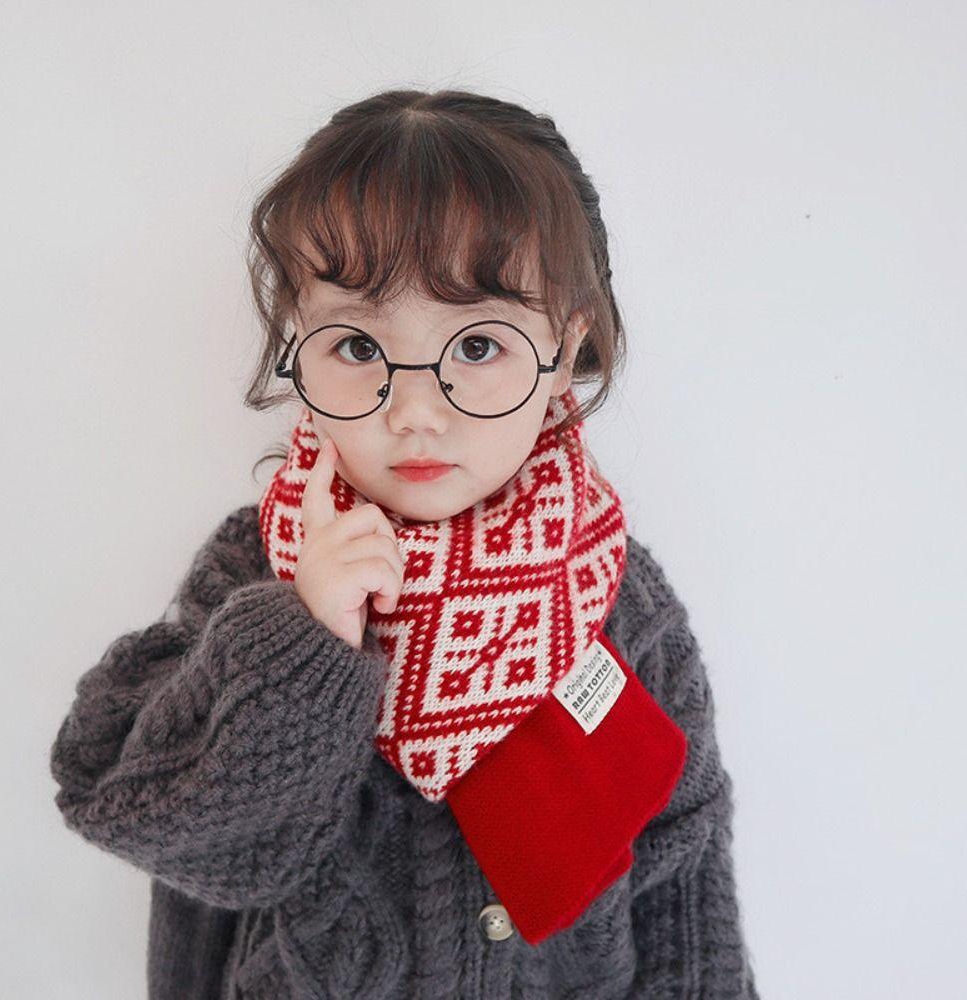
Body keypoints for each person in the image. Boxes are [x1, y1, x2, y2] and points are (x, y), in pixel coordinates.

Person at [49, 88, 761, 999]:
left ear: (563, 347)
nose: (415, 412)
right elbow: (146, 816)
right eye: (357, 348)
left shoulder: (614, 590)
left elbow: (685, 865)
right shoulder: (262, 569)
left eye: (477, 348)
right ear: (298, 347)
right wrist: (302, 639)